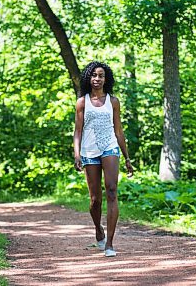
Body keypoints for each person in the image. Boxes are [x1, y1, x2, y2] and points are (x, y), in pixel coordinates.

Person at [73, 61, 134, 258]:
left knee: (112, 191)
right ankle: (98, 228)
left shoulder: (113, 101)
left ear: (106, 79)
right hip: (89, 151)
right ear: (88, 79)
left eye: (100, 75)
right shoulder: (82, 102)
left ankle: (109, 243)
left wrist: (126, 157)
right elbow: (78, 131)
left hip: (110, 147)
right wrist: (77, 153)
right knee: (95, 200)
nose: (97, 79)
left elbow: (118, 130)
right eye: (93, 75)